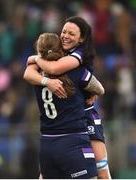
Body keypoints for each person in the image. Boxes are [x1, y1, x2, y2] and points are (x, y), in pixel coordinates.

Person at [26, 16, 111, 179]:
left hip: (82, 119)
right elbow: (31, 72)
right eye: (63, 32)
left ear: (82, 39)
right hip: (70, 130)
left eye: (71, 33)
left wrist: (37, 61)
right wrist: (46, 79)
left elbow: (53, 68)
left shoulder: (78, 54)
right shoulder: (62, 60)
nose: (65, 35)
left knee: (101, 168)